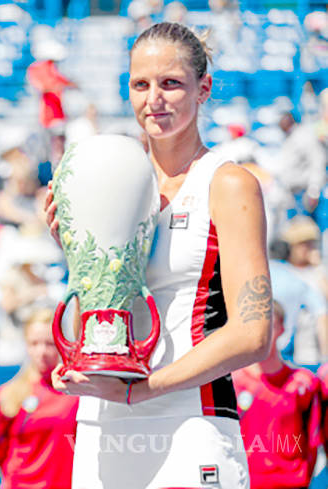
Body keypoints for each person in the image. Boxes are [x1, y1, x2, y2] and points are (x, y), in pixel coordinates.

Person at [44, 22, 272, 488]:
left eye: (171, 83)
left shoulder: (228, 183)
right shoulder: (106, 180)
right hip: (101, 419)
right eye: (140, 85)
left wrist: (142, 392)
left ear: (203, 88)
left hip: (193, 418)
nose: (154, 100)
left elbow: (253, 334)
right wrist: (79, 261)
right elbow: (104, 315)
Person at [233, 301, 323, 489]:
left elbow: (314, 440)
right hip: (244, 483)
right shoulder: (232, 382)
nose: (261, 333)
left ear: (282, 328)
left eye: (269, 325)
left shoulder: (303, 383)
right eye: (254, 325)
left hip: (291, 483)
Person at [0, 308, 79, 489]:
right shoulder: (5, 395)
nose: (42, 351)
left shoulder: (78, 394)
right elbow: (1, 453)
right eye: (34, 343)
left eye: (50, 344)